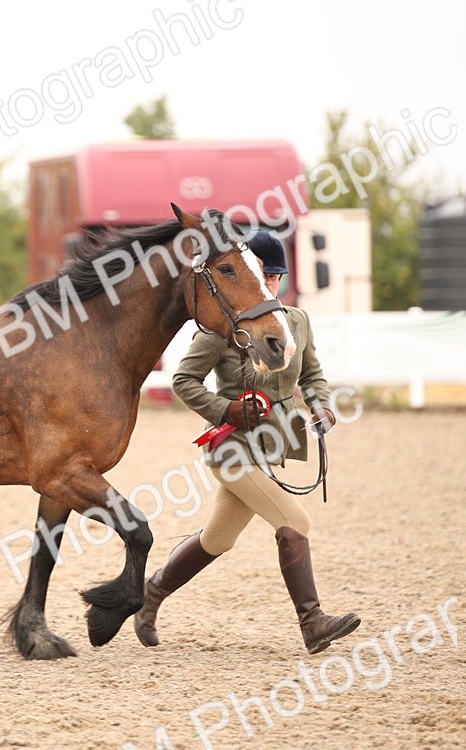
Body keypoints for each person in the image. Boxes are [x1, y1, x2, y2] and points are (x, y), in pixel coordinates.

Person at [133, 230, 360, 654]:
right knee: (296, 522)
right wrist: (225, 410)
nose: (268, 286)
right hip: (233, 449)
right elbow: (184, 380)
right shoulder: (223, 328)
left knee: (217, 540)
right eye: (262, 275)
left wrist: (322, 406)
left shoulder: (296, 322)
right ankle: (312, 622)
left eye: (274, 277)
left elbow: (312, 375)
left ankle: (149, 597)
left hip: (272, 445)